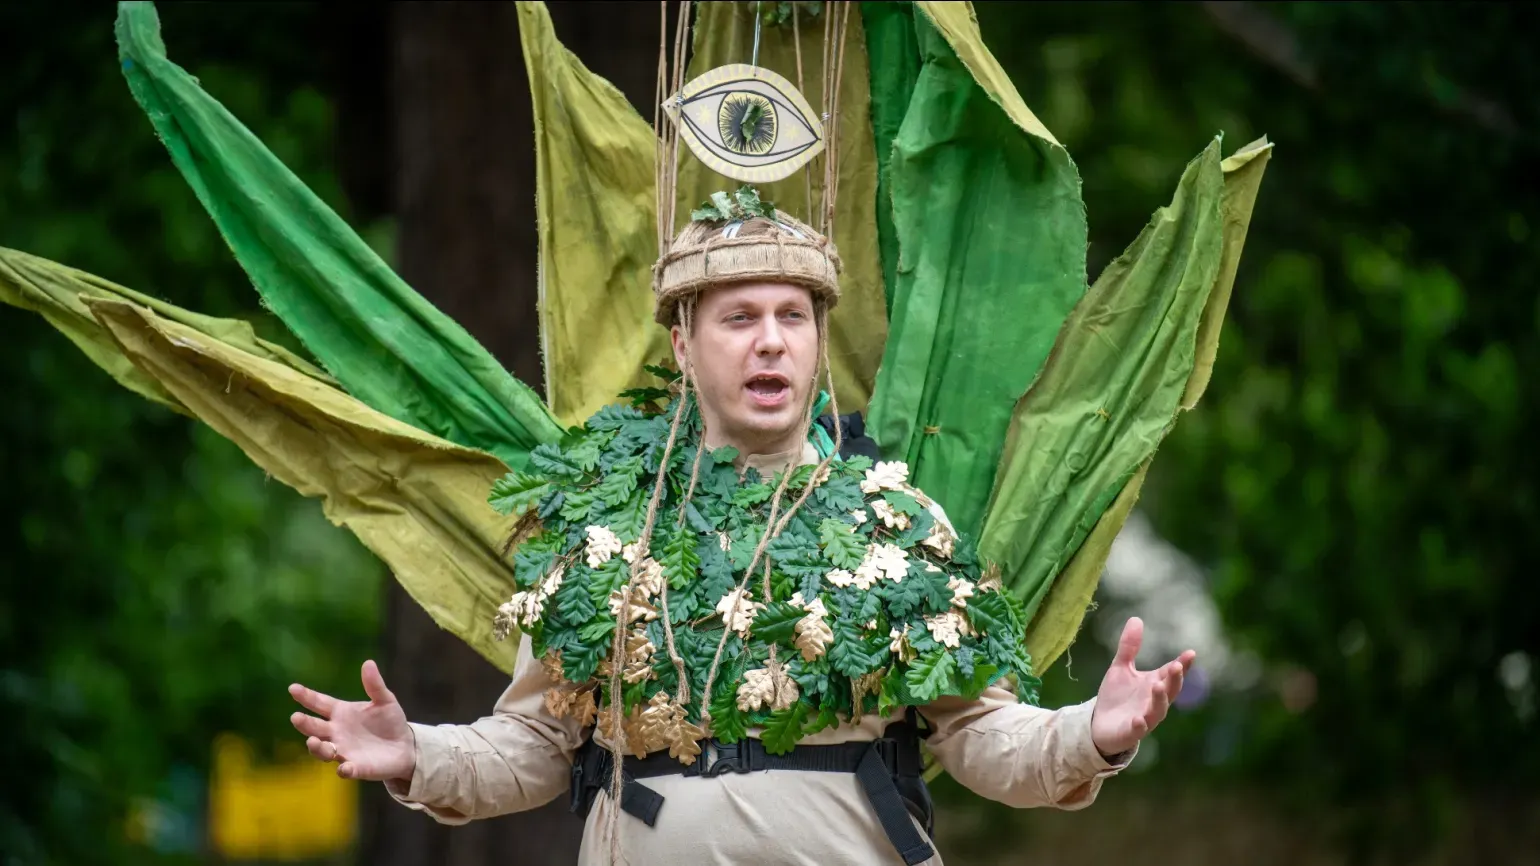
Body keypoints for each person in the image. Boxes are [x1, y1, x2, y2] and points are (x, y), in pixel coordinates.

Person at [288, 206, 1196, 865]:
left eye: (791, 318)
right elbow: (532, 747)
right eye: (739, 319)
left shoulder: (897, 521)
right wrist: (421, 757)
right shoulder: (602, 524)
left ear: (816, 342)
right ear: (683, 346)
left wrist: (1093, 735)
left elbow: (984, 738)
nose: (771, 343)